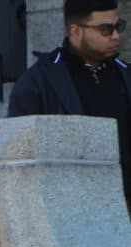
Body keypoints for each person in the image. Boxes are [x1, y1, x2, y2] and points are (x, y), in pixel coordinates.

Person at [8, 1, 131, 210]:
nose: (115, 36)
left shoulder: (125, 75)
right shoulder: (39, 82)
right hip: (72, 210)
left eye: (118, 26)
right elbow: (20, 156)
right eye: (105, 29)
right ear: (75, 31)